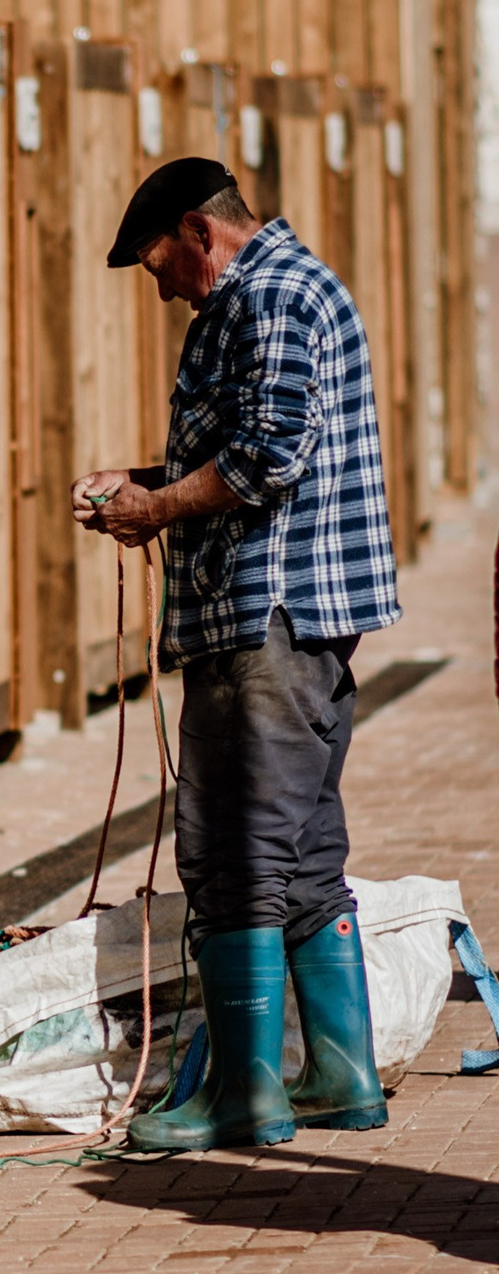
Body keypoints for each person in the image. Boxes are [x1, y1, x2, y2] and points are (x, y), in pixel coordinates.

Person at [76, 158, 401, 1153]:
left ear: (196, 232)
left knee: (234, 851)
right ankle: (337, 1075)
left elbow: (266, 457)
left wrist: (157, 506)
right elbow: (251, 447)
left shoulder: (266, 297)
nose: (164, 288)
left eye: (159, 267)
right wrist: (142, 482)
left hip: (268, 618)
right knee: (301, 852)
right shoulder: (284, 290)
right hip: (287, 618)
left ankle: (243, 1097)